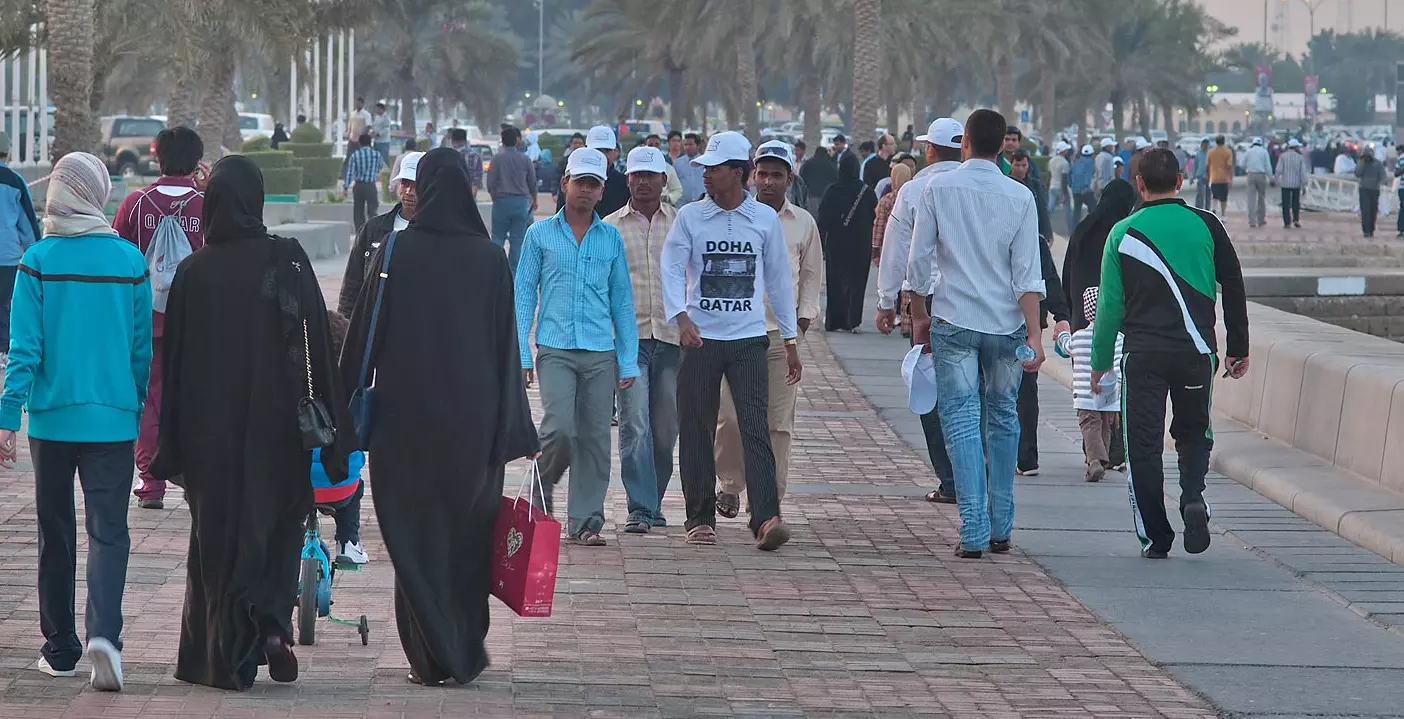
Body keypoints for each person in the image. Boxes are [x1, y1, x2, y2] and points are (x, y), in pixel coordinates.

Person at [153, 155, 355, 689]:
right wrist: (335, 425)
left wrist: (170, 441)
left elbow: (174, 366)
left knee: (217, 539)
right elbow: (318, 343)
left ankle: (224, 657)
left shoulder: (193, 272)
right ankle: (271, 626)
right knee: (276, 526)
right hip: (278, 430)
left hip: (210, 434)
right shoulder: (287, 259)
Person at [338, 148, 538, 686]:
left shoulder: (397, 249)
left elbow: (365, 332)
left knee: (413, 532)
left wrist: (340, 402)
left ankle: (429, 656)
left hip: (406, 422)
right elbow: (506, 347)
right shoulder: (490, 259)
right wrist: (515, 428)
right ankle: (464, 646)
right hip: (473, 426)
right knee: (468, 534)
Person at [0, 152, 151, 692]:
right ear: (98, 193)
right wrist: (132, 405)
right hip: (113, 421)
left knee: (56, 533)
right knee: (109, 532)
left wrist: (7, 416)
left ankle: (61, 648)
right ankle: (104, 637)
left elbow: (24, 348)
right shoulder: (130, 261)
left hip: (52, 423)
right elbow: (140, 351)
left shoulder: (37, 260)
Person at [1090, 147, 1248, 559]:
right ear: (1180, 181)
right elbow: (1233, 284)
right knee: (1194, 432)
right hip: (1197, 352)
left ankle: (1156, 537)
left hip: (1143, 355)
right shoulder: (1208, 224)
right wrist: (1239, 347)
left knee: (1143, 445)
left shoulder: (1122, 232)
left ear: (1139, 184)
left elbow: (1109, 307)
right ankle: (1193, 495)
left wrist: (1100, 361)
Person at [907, 109, 1045, 560]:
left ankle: (973, 528)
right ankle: (1001, 525)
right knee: (1004, 417)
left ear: (964, 142)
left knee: (962, 421)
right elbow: (1028, 274)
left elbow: (918, 260)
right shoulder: (1020, 196)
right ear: (1002, 146)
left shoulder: (937, 188)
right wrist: (1036, 336)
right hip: (1007, 325)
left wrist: (919, 313)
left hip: (954, 319)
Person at [660, 130, 800, 550]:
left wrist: (790, 340)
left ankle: (766, 518)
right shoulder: (690, 217)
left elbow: (778, 281)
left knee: (755, 427)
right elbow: (671, 268)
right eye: (704, 168)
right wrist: (680, 317)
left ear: (738, 173)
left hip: (749, 340)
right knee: (696, 428)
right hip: (700, 341)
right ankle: (699, 518)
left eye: (715, 169)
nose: (705, 174)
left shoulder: (763, 220)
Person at [516, 147, 639, 545]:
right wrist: (520, 352)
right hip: (554, 349)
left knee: (595, 439)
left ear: (602, 191)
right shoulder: (539, 235)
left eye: (594, 184)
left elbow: (622, 301)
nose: (586, 190)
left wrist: (628, 359)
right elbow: (523, 295)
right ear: (565, 184)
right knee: (560, 429)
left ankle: (585, 521)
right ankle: (542, 485)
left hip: (600, 351)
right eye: (580, 182)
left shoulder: (610, 238)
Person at [713, 140, 822, 518]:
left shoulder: (803, 223)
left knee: (777, 423)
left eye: (777, 175)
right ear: (751, 176)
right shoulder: (734, 217)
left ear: (790, 179)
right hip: (735, 332)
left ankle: (767, 502)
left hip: (780, 337)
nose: (769, 181)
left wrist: (802, 322)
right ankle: (730, 484)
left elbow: (811, 276)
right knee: (730, 417)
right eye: (763, 174)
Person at [112, 126, 206, 511]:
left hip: (144, 320)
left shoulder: (135, 204)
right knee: (194, 398)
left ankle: (151, 483)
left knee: (149, 398)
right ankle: (193, 478)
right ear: (197, 161)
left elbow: (117, 256)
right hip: (195, 322)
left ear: (157, 157)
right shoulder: (206, 204)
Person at [873, 118, 965, 504]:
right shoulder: (978, 186)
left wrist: (886, 303)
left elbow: (896, 250)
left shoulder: (913, 190)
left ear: (929, 149)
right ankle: (975, 474)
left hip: (924, 306)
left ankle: (950, 479)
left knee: (930, 391)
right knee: (972, 393)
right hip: (974, 304)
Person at [605, 147, 680, 532]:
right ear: (627, 178)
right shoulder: (610, 228)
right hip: (628, 342)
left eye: (651, 175)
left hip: (672, 337)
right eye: (637, 175)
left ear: (664, 180)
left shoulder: (681, 224)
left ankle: (655, 500)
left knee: (665, 429)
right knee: (634, 423)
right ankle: (641, 507)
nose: (644, 182)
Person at [1007, 149, 1071, 477]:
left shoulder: (994, 231)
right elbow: (1049, 277)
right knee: (1025, 387)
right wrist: (1060, 314)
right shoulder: (1032, 237)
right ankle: (1026, 457)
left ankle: (1007, 454)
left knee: (1001, 387)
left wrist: (1061, 315)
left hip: (1000, 322)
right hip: (1026, 324)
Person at [338, 151, 422, 318]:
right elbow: (351, 286)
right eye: (405, 183)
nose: (409, 191)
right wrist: (344, 324)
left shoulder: (435, 235)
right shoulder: (373, 229)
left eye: (416, 185)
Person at [1062, 179, 1136, 334]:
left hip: (1082, 320)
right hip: (1115, 324)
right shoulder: (1122, 234)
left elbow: (1067, 275)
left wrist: (1070, 314)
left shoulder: (1082, 229)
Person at [1068, 286, 1123, 483]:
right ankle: (1103, 459)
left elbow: (1066, 346)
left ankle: (1094, 461)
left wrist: (1062, 335)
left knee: (1090, 426)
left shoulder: (1078, 336)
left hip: (1085, 395)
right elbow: (1119, 361)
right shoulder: (1118, 337)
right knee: (1105, 428)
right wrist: (1119, 382)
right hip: (1109, 394)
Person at [817, 151, 877, 333]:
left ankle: (835, 320)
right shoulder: (866, 191)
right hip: (860, 243)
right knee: (857, 282)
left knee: (835, 281)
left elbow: (823, 218)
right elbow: (873, 216)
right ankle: (853, 320)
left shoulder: (832, 190)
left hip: (837, 242)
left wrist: (822, 240)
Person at [0, 132, 40, 366]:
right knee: (5, 303)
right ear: (8, 153)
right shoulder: (15, 182)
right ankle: (3, 350)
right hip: (6, 256)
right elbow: (27, 223)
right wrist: (35, 251)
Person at [486, 126, 537, 271]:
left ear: (502, 141)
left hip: (501, 201)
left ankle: (495, 269)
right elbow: (532, 183)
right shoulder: (525, 159)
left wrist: (494, 197)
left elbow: (490, 182)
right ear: (516, 141)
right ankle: (514, 274)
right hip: (521, 203)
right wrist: (534, 200)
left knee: (498, 237)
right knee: (517, 240)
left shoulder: (497, 159)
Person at [872, 163, 912, 266]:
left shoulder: (886, 200)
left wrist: (876, 248)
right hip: (911, 246)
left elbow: (879, 225)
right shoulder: (915, 198)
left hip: (890, 246)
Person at [586, 125, 630, 217]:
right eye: (598, 150)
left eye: (607, 151)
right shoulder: (574, 182)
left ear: (615, 152)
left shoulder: (623, 183)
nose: (602, 156)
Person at [345, 133, 386, 231]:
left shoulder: (355, 155)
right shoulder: (377, 155)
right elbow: (382, 168)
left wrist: (346, 187)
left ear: (359, 143)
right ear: (370, 143)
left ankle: (360, 233)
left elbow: (350, 173)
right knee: (372, 211)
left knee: (358, 212)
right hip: (371, 186)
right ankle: (372, 232)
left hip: (359, 186)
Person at [644, 133, 685, 205]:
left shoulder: (668, 168)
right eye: (650, 145)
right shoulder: (639, 168)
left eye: (657, 144)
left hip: (664, 207)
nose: (654, 147)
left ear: (660, 146)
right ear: (645, 147)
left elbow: (678, 190)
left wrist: (668, 198)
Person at [1356, 149, 1387, 238]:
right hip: (1364, 189)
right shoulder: (1362, 163)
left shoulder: (1377, 164)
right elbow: (1357, 173)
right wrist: (1362, 162)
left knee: (1373, 210)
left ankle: (1371, 229)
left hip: (1374, 190)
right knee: (1365, 211)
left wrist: (1381, 183)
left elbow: (1383, 175)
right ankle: (1366, 230)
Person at [1277, 138, 1307, 230]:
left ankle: (1287, 222)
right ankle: (1296, 219)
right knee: (1295, 203)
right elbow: (1303, 172)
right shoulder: (1300, 157)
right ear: (1296, 147)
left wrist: (1275, 179)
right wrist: (1304, 185)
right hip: (1296, 184)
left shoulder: (1283, 156)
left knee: (1285, 204)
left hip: (1285, 183)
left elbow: (1279, 169)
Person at [798, 146, 837, 212]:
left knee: (813, 214)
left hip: (812, 194)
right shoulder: (831, 165)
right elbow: (836, 179)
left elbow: (801, 178)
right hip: (827, 195)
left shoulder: (808, 163)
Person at [1243, 138, 1271, 228]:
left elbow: (1242, 164)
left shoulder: (1248, 151)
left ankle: (1252, 221)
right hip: (1261, 175)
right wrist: (1271, 178)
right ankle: (1261, 220)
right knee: (1261, 198)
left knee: (1251, 199)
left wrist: (1247, 169)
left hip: (1251, 174)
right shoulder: (1264, 152)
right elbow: (1268, 166)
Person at [449, 128, 483, 198]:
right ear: (465, 141)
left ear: (452, 141)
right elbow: (477, 180)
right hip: (468, 196)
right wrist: (471, 197)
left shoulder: (447, 156)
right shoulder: (475, 157)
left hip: (450, 197)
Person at [674, 132, 706, 207]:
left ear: (697, 145)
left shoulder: (704, 163)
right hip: (681, 204)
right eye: (686, 145)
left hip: (701, 204)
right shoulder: (677, 163)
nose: (688, 147)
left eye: (691, 144)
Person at [556, 132, 586, 209]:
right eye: (575, 143)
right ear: (570, 145)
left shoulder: (588, 163)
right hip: (565, 195)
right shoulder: (564, 161)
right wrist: (554, 193)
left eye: (580, 143)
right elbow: (557, 177)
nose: (577, 145)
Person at [1069, 144, 1097, 225]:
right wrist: (1085, 186)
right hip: (1085, 190)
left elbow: (1069, 174)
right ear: (1092, 154)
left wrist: (1071, 185)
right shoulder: (1090, 162)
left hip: (1075, 190)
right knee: (1093, 209)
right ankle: (1091, 227)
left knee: (1077, 212)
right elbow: (1088, 175)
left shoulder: (1076, 162)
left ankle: (1074, 229)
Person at [1206, 135, 1233, 218]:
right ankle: (1223, 214)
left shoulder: (1211, 152)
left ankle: (1214, 209)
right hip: (1224, 178)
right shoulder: (1227, 152)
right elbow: (1229, 166)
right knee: (1224, 198)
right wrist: (1231, 179)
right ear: (1224, 141)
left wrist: (1208, 176)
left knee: (1214, 196)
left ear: (1216, 142)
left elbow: (1207, 165)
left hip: (1213, 178)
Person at [1047, 142, 1072, 231]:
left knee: (1050, 209)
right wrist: (1065, 194)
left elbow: (1049, 175)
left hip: (1052, 186)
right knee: (1068, 210)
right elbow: (1064, 179)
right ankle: (1071, 229)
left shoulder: (1051, 161)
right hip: (1060, 188)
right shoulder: (1065, 163)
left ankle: (1044, 226)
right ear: (1064, 151)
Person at [1192, 138, 1211, 210]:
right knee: (1200, 194)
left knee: (1208, 195)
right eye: (1204, 145)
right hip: (1200, 176)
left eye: (1206, 145)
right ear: (1201, 145)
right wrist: (1193, 176)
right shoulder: (1198, 154)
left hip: (1209, 176)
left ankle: (1207, 209)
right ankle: (1198, 209)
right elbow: (1195, 165)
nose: (1205, 146)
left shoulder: (1210, 154)